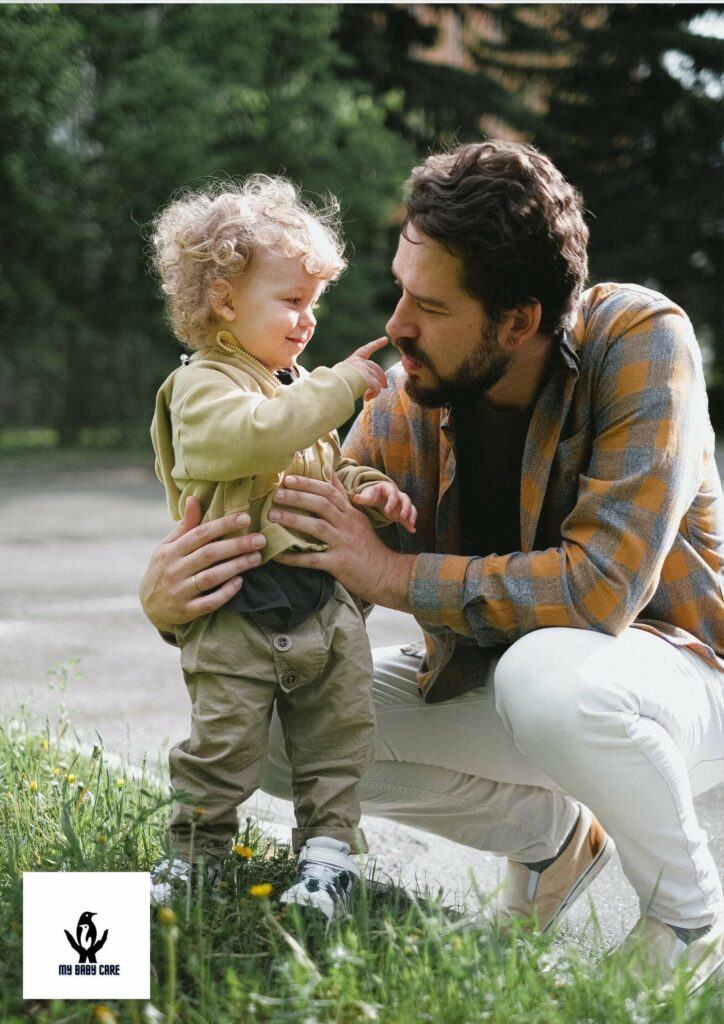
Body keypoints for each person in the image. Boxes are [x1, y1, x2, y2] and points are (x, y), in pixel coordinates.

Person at [141, 142, 724, 992]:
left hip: (672, 679)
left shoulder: (638, 339)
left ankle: (686, 918)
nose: (396, 323)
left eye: (430, 304)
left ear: (517, 320)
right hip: (496, 683)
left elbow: (600, 590)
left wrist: (389, 576)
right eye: (400, 288)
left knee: (547, 678)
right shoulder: (408, 393)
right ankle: (555, 841)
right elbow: (317, 567)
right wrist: (172, 600)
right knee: (277, 731)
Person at [147, 175, 416, 921]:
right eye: (292, 301)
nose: (308, 321)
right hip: (237, 611)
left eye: (315, 304)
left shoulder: (289, 384)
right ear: (226, 301)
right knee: (224, 746)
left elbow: (315, 457)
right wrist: (339, 388)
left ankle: (328, 857)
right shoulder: (205, 386)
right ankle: (194, 856)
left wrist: (366, 486)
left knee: (338, 739)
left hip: (320, 609)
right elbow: (251, 440)